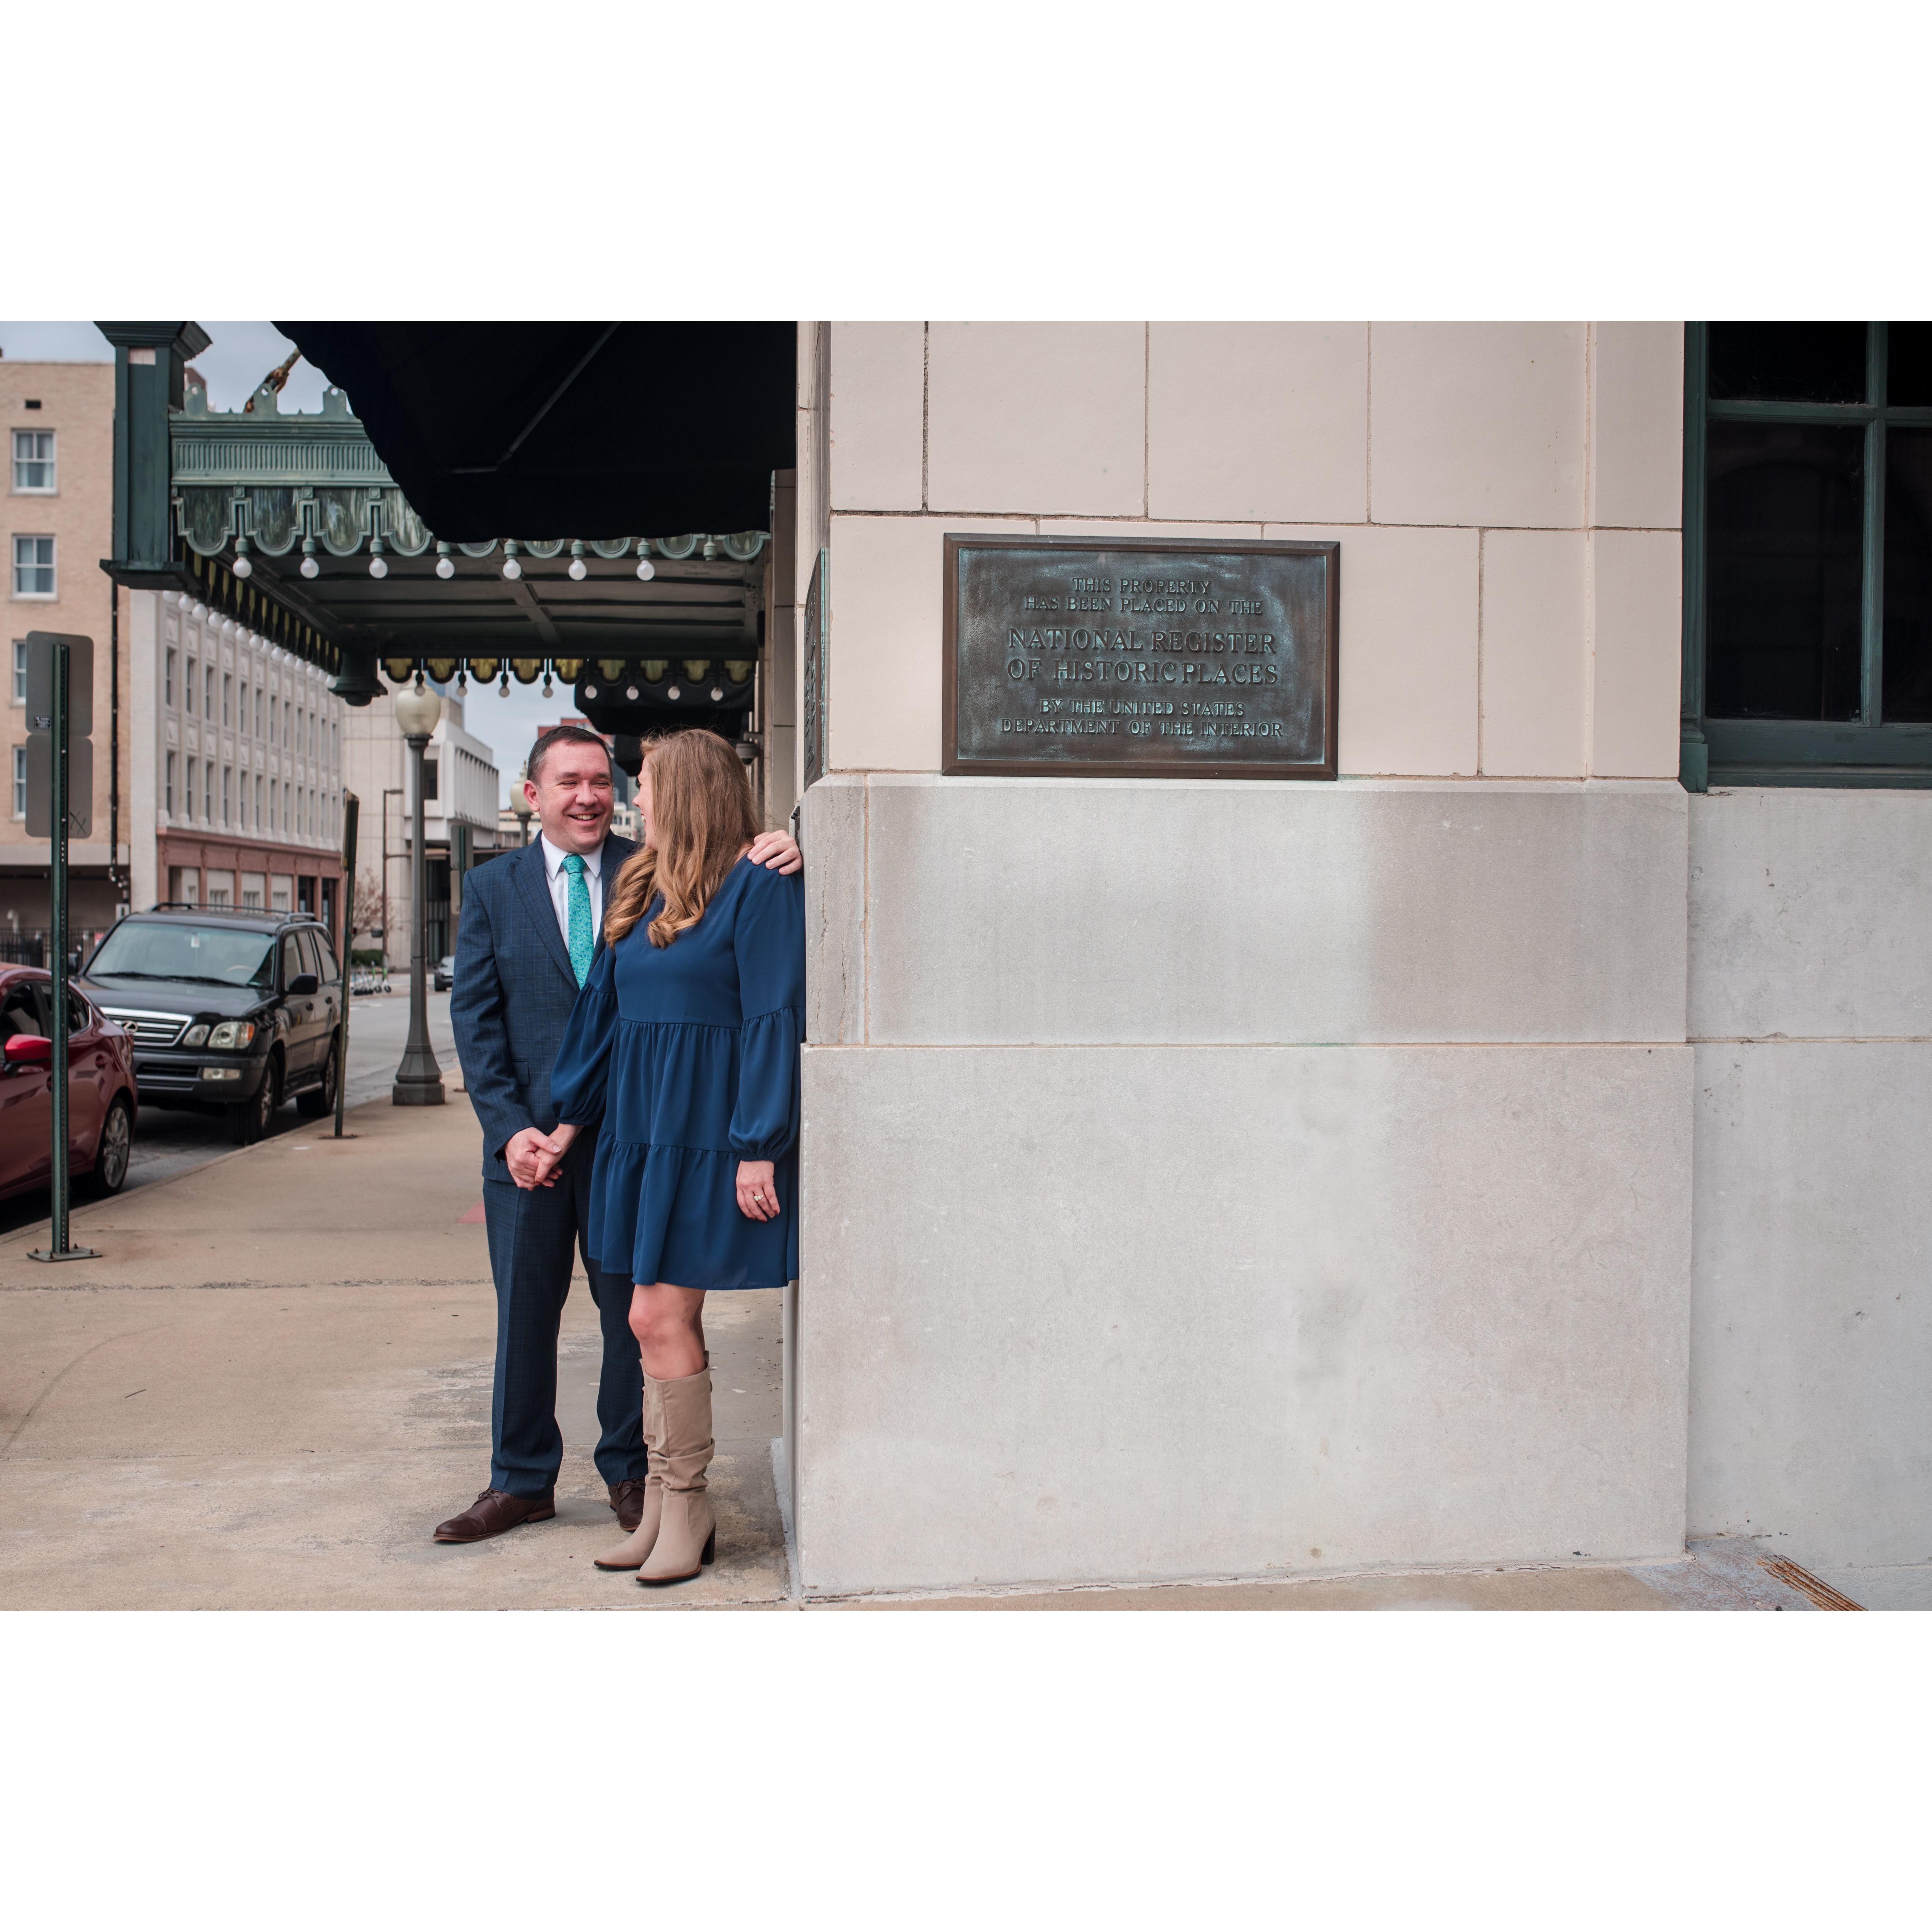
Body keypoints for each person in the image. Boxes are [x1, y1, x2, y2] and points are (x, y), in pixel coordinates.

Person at [434, 724, 800, 1545]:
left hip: (644, 1138)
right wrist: (514, 1133)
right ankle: (520, 1482)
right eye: (570, 782)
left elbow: (747, 934)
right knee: (526, 1315)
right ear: (534, 795)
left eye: (605, 780)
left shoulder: (666, 867)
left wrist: (788, 838)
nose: (596, 795)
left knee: (631, 1320)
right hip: (541, 1142)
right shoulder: (495, 887)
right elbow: (477, 1022)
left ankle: (636, 1480)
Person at [538, 728, 805, 1585]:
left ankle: (688, 1502)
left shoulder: (759, 887)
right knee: (651, 1320)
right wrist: (568, 1126)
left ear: (686, 790)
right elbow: (602, 1019)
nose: (633, 799)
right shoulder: (643, 882)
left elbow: (774, 1016)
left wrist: (757, 1148)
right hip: (639, 1135)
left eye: (645, 784)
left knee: (656, 1319)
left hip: (706, 1135)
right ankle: (662, 1501)